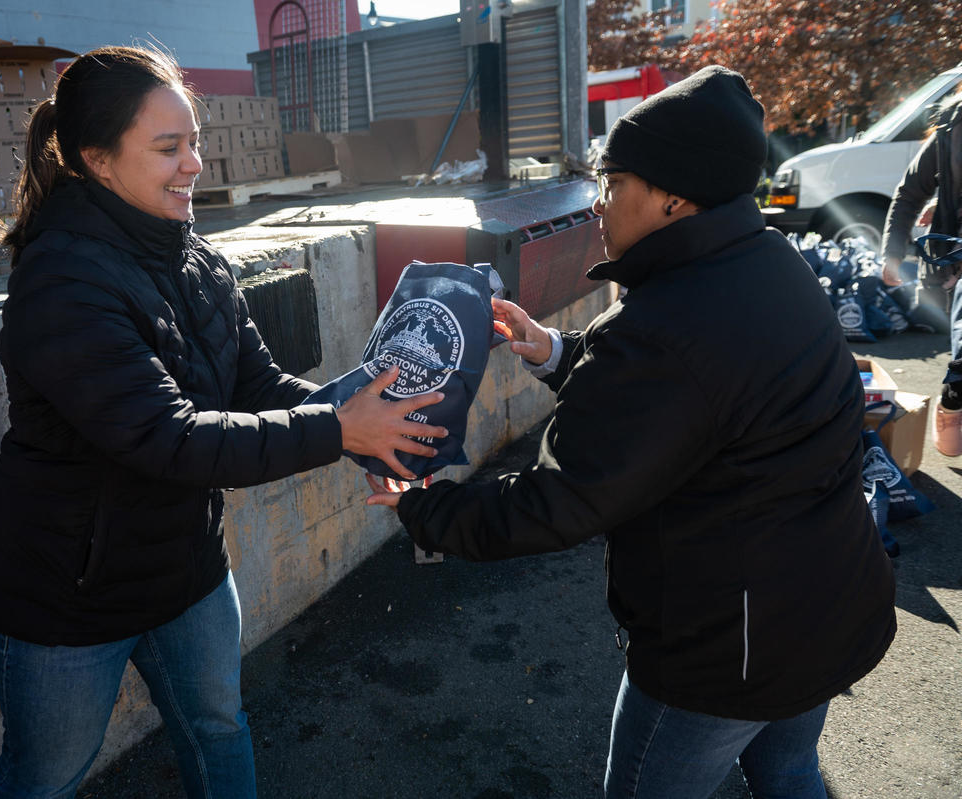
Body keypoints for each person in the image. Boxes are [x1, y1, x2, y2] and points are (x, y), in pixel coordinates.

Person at [368, 66, 896, 798]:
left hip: (727, 652)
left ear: (672, 197)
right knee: (789, 773)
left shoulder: (660, 329)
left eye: (612, 182)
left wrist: (423, 508)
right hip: (830, 603)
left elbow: (560, 499)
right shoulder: (767, 260)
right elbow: (700, 396)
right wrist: (556, 352)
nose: (597, 203)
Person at [0, 45, 447, 799]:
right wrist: (340, 430)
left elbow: (255, 385)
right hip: (66, 592)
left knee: (219, 726)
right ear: (96, 161)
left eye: (194, 141)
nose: (195, 163)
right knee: (44, 776)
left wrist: (370, 417)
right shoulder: (61, 282)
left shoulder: (195, 257)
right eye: (169, 148)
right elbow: (171, 437)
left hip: (185, 567)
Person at [880, 86, 962, 456]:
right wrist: (893, 254)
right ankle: (954, 396)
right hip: (955, 266)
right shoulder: (952, 127)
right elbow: (911, 192)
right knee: (951, 441)